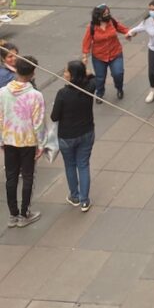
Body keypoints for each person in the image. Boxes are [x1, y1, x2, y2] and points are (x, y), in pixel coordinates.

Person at [1, 55, 45, 227]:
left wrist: (1, 139)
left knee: (11, 177)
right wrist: (40, 144)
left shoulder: (3, 92)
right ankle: (24, 213)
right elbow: (39, 122)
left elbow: (0, 116)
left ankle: (13, 215)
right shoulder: (35, 96)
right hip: (27, 140)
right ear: (33, 73)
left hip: (9, 139)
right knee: (28, 177)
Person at [51, 60, 97, 212]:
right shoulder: (90, 87)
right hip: (86, 132)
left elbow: (54, 116)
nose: (64, 74)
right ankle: (85, 200)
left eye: (66, 72)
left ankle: (75, 196)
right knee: (83, 165)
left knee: (70, 165)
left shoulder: (62, 94)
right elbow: (94, 78)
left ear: (72, 75)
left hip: (67, 136)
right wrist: (88, 74)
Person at [81, 4, 130, 102]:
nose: (108, 15)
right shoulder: (92, 27)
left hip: (115, 53)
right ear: (98, 16)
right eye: (105, 14)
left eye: (108, 13)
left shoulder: (112, 22)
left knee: (118, 73)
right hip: (99, 56)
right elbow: (86, 41)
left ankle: (119, 88)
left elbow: (123, 29)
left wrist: (129, 33)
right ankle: (100, 93)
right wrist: (85, 55)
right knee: (100, 77)